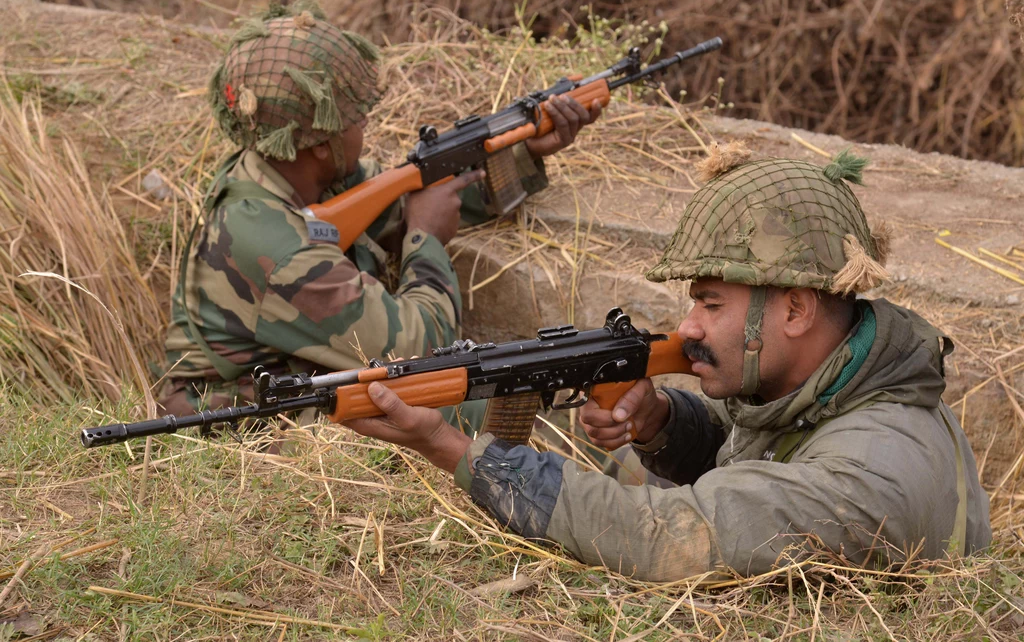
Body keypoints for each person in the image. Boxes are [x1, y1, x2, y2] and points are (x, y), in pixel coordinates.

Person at [345, 147, 992, 581]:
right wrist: (661, 422)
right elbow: (761, 449)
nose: (689, 328)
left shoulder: (869, 474)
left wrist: (453, 448)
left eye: (711, 304)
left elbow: (667, 537)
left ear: (795, 310)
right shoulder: (831, 378)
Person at [158, 0, 600, 431]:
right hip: (231, 420)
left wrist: (523, 154)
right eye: (355, 117)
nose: (365, 121)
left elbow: (402, 202)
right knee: (484, 416)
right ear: (318, 143)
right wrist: (425, 240)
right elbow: (422, 351)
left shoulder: (276, 172)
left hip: (281, 378)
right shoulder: (277, 251)